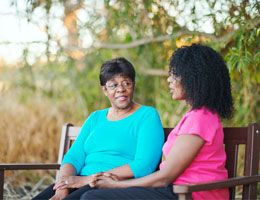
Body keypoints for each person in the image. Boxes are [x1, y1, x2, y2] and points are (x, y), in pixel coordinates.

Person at [82, 44, 234, 200]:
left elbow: (164, 177)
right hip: (175, 191)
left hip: (191, 195)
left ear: (193, 77)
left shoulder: (201, 118)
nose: (169, 80)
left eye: (175, 75)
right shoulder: (196, 116)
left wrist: (115, 185)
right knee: (91, 195)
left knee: (93, 197)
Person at [33, 57, 164, 200]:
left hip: (113, 186)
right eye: (113, 85)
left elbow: (144, 165)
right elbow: (73, 157)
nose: (121, 89)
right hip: (78, 182)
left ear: (134, 85)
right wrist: (63, 186)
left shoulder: (147, 116)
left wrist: (89, 179)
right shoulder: (95, 118)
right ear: (104, 90)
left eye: (126, 83)